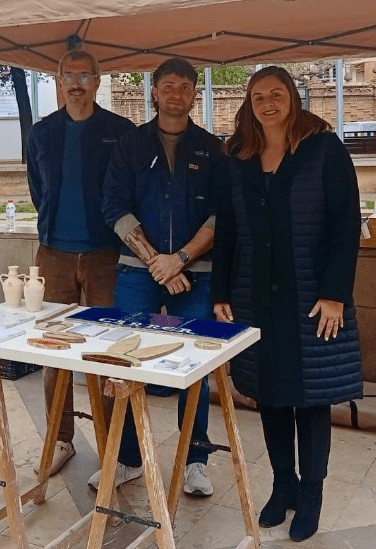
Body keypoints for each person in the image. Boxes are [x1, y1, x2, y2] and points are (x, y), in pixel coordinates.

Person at [211, 65, 363, 542]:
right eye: (259, 96)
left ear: (293, 98)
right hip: (254, 297)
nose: (268, 103)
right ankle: (284, 487)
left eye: (277, 94)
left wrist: (335, 293)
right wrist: (219, 293)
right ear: (248, 105)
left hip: (314, 300)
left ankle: (312, 495)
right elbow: (228, 229)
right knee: (270, 397)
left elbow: (345, 224)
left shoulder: (324, 148)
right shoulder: (237, 157)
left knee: (312, 400)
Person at [101, 57, 223, 496]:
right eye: (168, 85)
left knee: (196, 368)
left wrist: (182, 259)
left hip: (198, 274)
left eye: (185, 86)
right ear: (154, 92)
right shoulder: (130, 145)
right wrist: (157, 260)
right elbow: (113, 205)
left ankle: (196, 461)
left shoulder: (212, 148)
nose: (176, 93)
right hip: (138, 272)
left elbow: (220, 215)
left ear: (194, 94)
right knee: (125, 363)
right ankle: (128, 459)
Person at [27, 49, 135, 475]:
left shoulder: (119, 131)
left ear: (98, 81)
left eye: (84, 76)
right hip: (53, 255)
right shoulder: (42, 134)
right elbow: (39, 190)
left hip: (106, 256)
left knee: (107, 351)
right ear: (58, 81)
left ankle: (112, 448)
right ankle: (60, 439)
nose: (76, 83)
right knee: (53, 350)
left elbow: (124, 192)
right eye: (68, 75)